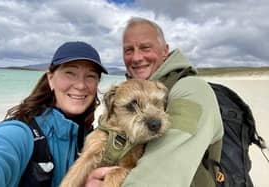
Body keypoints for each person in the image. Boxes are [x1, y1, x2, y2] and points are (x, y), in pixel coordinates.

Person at [87, 17, 224, 187]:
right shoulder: (128, 94)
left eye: (145, 47)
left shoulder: (192, 90)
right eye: (129, 50)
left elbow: (159, 178)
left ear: (165, 51)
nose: (136, 57)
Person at [0, 41, 108, 187]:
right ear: (50, 78)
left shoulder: (88, 140)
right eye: (70, 73)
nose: (81, 85)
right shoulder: (18, 133)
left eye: (90, 76)